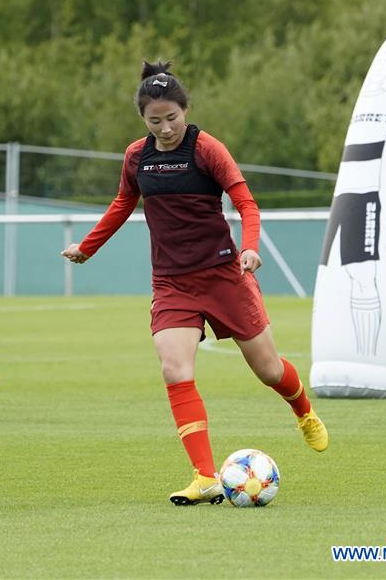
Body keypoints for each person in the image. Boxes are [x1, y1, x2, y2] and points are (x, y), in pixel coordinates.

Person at [62, 61, 328, 506]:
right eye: (155, 120)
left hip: (226, 275)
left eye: (172, 118)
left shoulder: (207, 149)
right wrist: (88, 248)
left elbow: (246, 202)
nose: (165, 128)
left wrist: (249, 247)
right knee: (174, 370)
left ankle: (302, 410)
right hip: (171, 282)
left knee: (268, 370)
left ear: (185, 110)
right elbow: (123, 202)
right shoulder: (136, 157)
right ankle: (205, 476)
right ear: (143, 120)